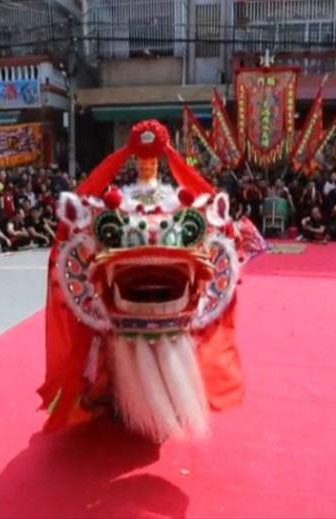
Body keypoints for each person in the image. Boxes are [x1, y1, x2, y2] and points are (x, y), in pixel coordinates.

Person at [39, 119, 245, 444]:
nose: (147, 163)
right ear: (134, 160)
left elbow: (206, 232)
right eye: (142, 158)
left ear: (161, 160)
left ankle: (170, 404)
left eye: (152, 158)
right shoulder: (119, 199)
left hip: (174, 295)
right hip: (123, 294)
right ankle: (120, 401)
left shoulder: (176, 200)